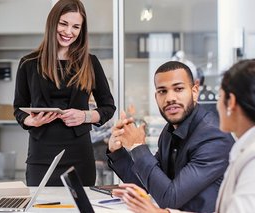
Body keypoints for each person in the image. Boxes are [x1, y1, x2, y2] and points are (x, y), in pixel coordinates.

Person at [112, 59, 255, 213]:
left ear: (194, 91)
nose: (170, 98)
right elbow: (149, 184)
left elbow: (170, 198)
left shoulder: (214, 136)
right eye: (162, 91)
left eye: (178, 89)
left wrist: (138, 147)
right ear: (156, 97)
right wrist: (117, 151)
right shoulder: (169, 131)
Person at [13, 0, 115, 186]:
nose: (69, 32)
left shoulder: (90, 63)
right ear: (53, 22)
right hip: (41, 155)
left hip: (79, 155)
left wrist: (85, 116)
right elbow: (18, 109)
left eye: (76, 27)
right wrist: (31, 120)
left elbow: (108, 107)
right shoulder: (28, 63)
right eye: (63, 24)